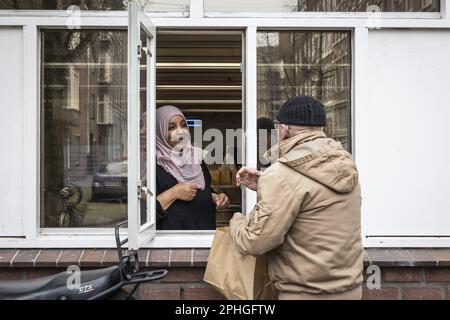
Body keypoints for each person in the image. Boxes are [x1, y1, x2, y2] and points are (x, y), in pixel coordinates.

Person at [230, 96, 364, 300]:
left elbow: (254, 242)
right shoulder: (344, 166)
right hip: (350, 291)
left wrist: (237, 221)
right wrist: (265, 184)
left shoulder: (282, 174)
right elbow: (316, 208)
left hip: (303, 293)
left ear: (283, 130)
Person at [155, 105, 230, 230]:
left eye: (184, 125)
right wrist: (173, 193)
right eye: (171, 127)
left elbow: (203, 190)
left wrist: (215, 197)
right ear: (160, 132)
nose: (181, 131)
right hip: (171, 243)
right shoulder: (154, 166)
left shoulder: (197, 160)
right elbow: (143, 213)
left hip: (204, 238)